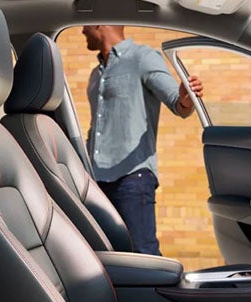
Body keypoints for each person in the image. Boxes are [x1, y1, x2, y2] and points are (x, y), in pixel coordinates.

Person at [82, 25, 204, 255]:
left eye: (86, 25)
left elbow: (178, 104)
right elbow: (97, 128)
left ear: (100, 24)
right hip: (97, 183)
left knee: (143, 255)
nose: (82, 32)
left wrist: (187, 98)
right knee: (107, 258)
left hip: (132, 180)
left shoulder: (143, 57)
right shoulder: (95, 74)